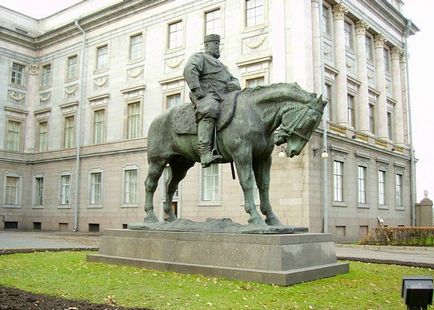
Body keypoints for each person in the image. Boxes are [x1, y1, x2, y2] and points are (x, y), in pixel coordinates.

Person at [183, 34, 241, 168]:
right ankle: (205, 151)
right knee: (210, 108)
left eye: (218, 45)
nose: (217, 47)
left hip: (225, 95)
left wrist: (235, 84)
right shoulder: (200, 57)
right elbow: (189, 69)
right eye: (215, 44)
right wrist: (196, 88)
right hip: (208, 94)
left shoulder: (222, 66)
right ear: (207, 45)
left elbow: (233, 78)